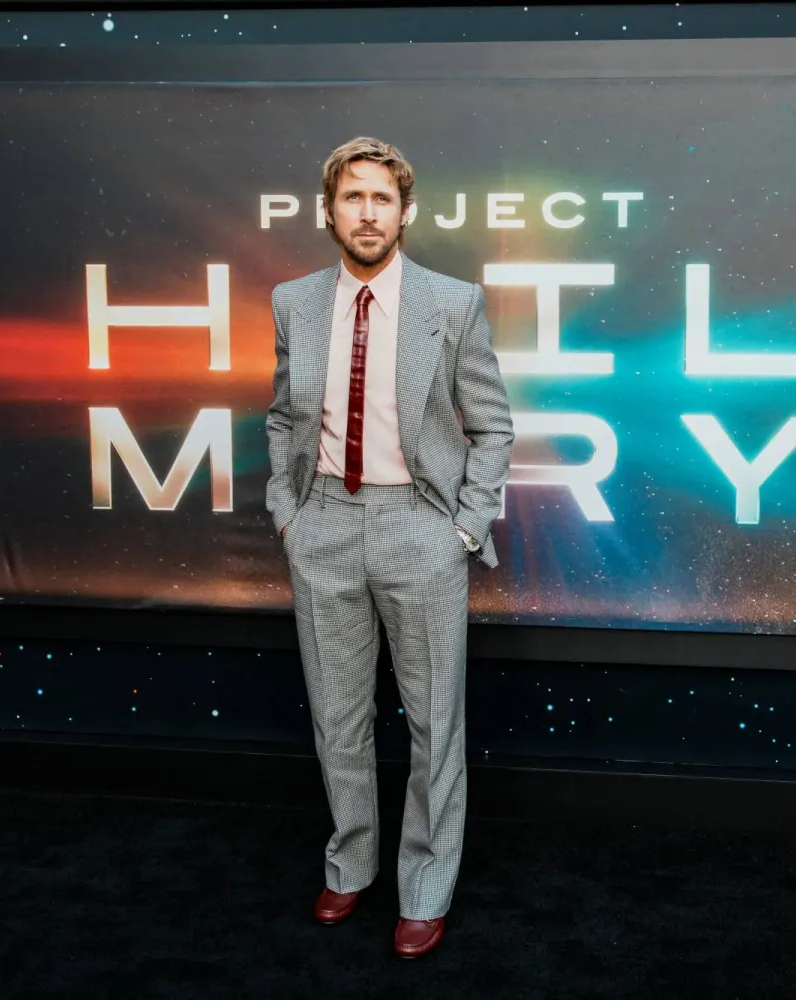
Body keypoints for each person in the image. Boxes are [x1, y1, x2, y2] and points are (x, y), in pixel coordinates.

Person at [264, 136, 514, 958]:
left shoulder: (454, 302)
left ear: (405, 212)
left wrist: (464, 528)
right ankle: (350, 865)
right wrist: (288, 514)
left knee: (435, 725)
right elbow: (280, 416)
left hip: (421, 526)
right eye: (351, 198)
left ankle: (426, 886)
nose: (366, 213)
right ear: (327, 210)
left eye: (381, 199)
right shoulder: (293, 301)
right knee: (338, 719)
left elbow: (492, 425)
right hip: (325, 522)